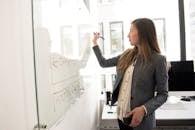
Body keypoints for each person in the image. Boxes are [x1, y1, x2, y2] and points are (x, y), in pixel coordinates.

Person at [92, 18, 168, 130]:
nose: (128, 35)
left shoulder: (158, 60)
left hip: (140, 122)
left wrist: (144, 109)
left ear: (142, 33)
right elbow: (103, 63)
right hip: (121, 117)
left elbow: (163, 94)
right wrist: (94, 43)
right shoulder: (127, 54)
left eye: (131, 31)